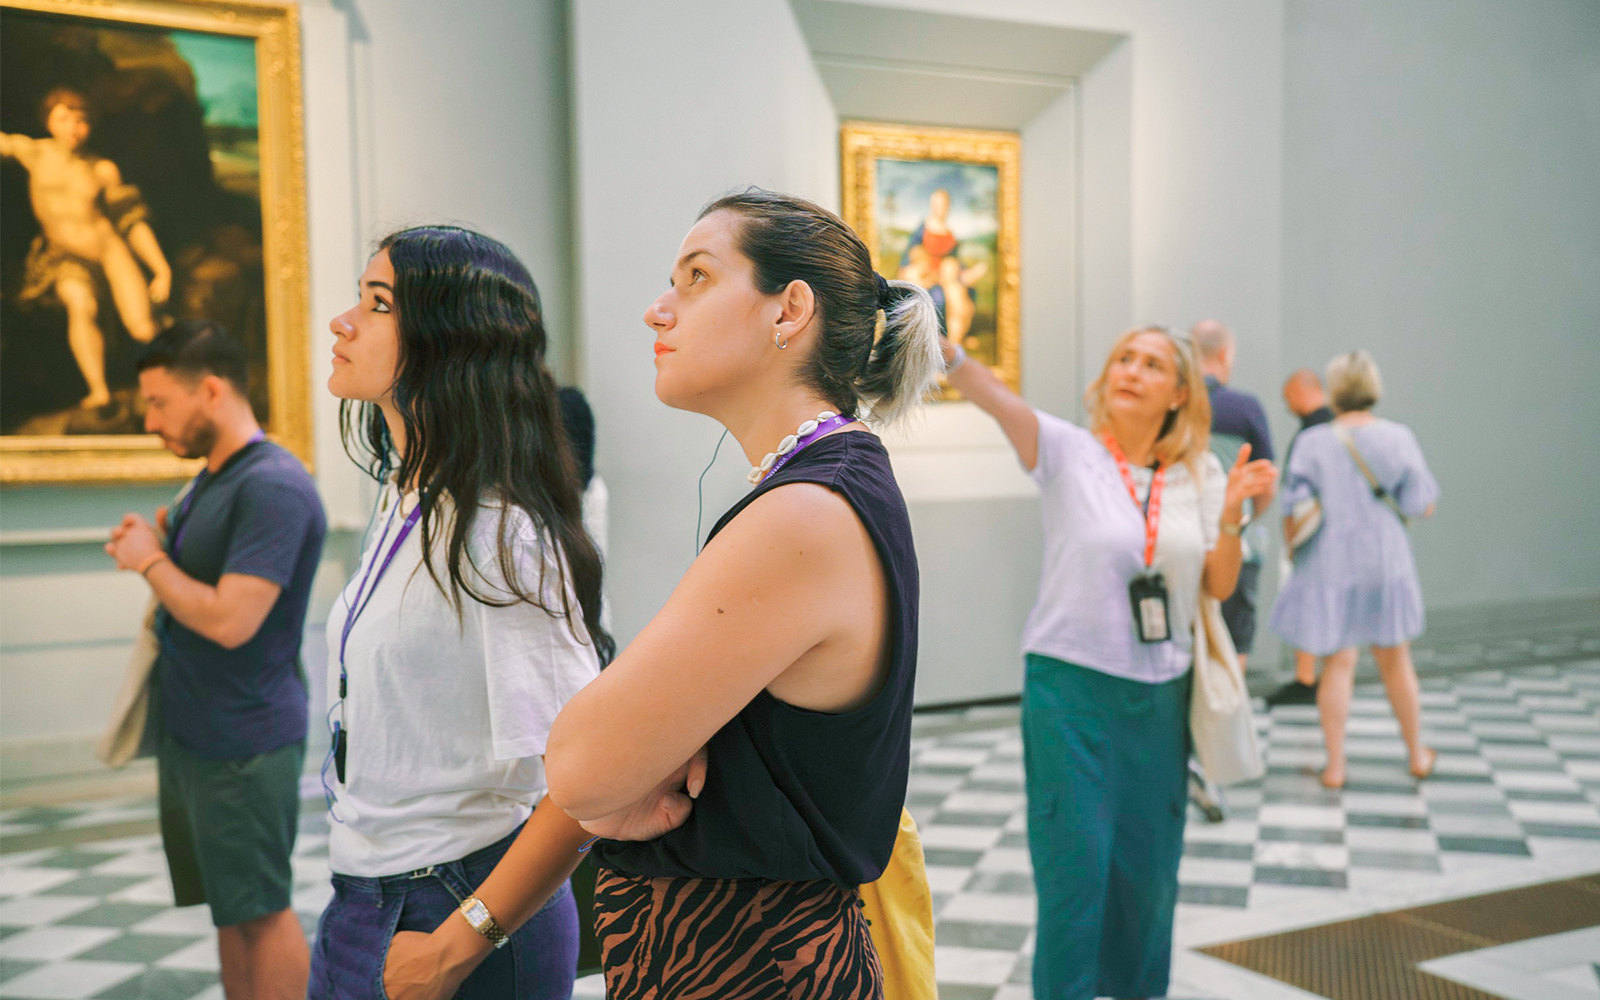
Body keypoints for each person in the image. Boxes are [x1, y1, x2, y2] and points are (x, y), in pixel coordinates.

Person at [541, 188, 943, 999]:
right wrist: (622, 782)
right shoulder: (822, 485)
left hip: (748, 966)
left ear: (788, 310)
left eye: (696, 278)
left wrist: (614, 788)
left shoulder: (803, 512)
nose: (659, 311)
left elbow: (579, 768)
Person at [309, 226, 610, 1000]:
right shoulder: (409, 496)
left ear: (448, 342)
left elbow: (588, 780)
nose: (342, 321)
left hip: (454, 906)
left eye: (377, 305)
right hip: (365, 893)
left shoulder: (498, 533)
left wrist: (455, 945)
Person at [941, 325, 1275, 1000]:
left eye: (1152, 365)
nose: (1131, 371)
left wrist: (1234, 517)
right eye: (1123, 358)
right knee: (1076, 877)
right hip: (1070, 693)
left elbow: (1216, 584)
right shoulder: (1068, 452)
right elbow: (992, 395)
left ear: (1180, 392)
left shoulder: (1200, 472)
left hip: (1161, 700)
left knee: (1146, 880)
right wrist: (943, 348)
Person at [104, 321, 325, 1000]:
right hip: (200, 733)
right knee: (232, 913)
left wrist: (149, 560)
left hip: (244, 739)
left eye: (159, 403)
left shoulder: (274, 486)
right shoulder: (213, 479)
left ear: (210, 391)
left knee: (261, 910)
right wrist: (161, 540)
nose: (149, 421)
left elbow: (233, 621)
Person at [1269, 350, 1439, 789]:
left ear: (1333, 390)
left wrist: (1292, 547)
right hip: (1386, 559)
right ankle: (1417, 754)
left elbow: (1292, 505)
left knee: (1337, 664)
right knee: (1395, 660)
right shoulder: (1399, 437)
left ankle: (1336, 765)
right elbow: (1422, 503)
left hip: (1332, 561)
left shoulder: (1312, 442)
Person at [2, 87, 172, 411]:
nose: (72, 127)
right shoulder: (34, 152)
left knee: (143, 328)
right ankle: (99, 392)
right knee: (81, 305)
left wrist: (161, 269)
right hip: (65, 256)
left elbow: (132, 223)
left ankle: (170, 387)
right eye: (63, 118)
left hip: (110, 251)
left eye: (81, 120)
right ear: (48, 121)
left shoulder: (102, 169)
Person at [1191, 319, 1275, 669]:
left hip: (1178, 532)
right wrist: (1245, 517)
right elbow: (1266, 480)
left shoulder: (1174, 403)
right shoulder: (1245, 407)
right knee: (1233, 640)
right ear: (1225, 354)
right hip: (1232, 539)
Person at [1265, 367, 1337, 707]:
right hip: (1335, 538)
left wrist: (1292, 537)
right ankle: (1319, 676)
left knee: (1308, 606)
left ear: (1300, 391)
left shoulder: (1313, 435)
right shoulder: (1338, 429)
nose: (1287, 404)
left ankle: (1308, 679)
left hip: (1314, 538)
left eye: (1287, 397)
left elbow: (1298, 494)